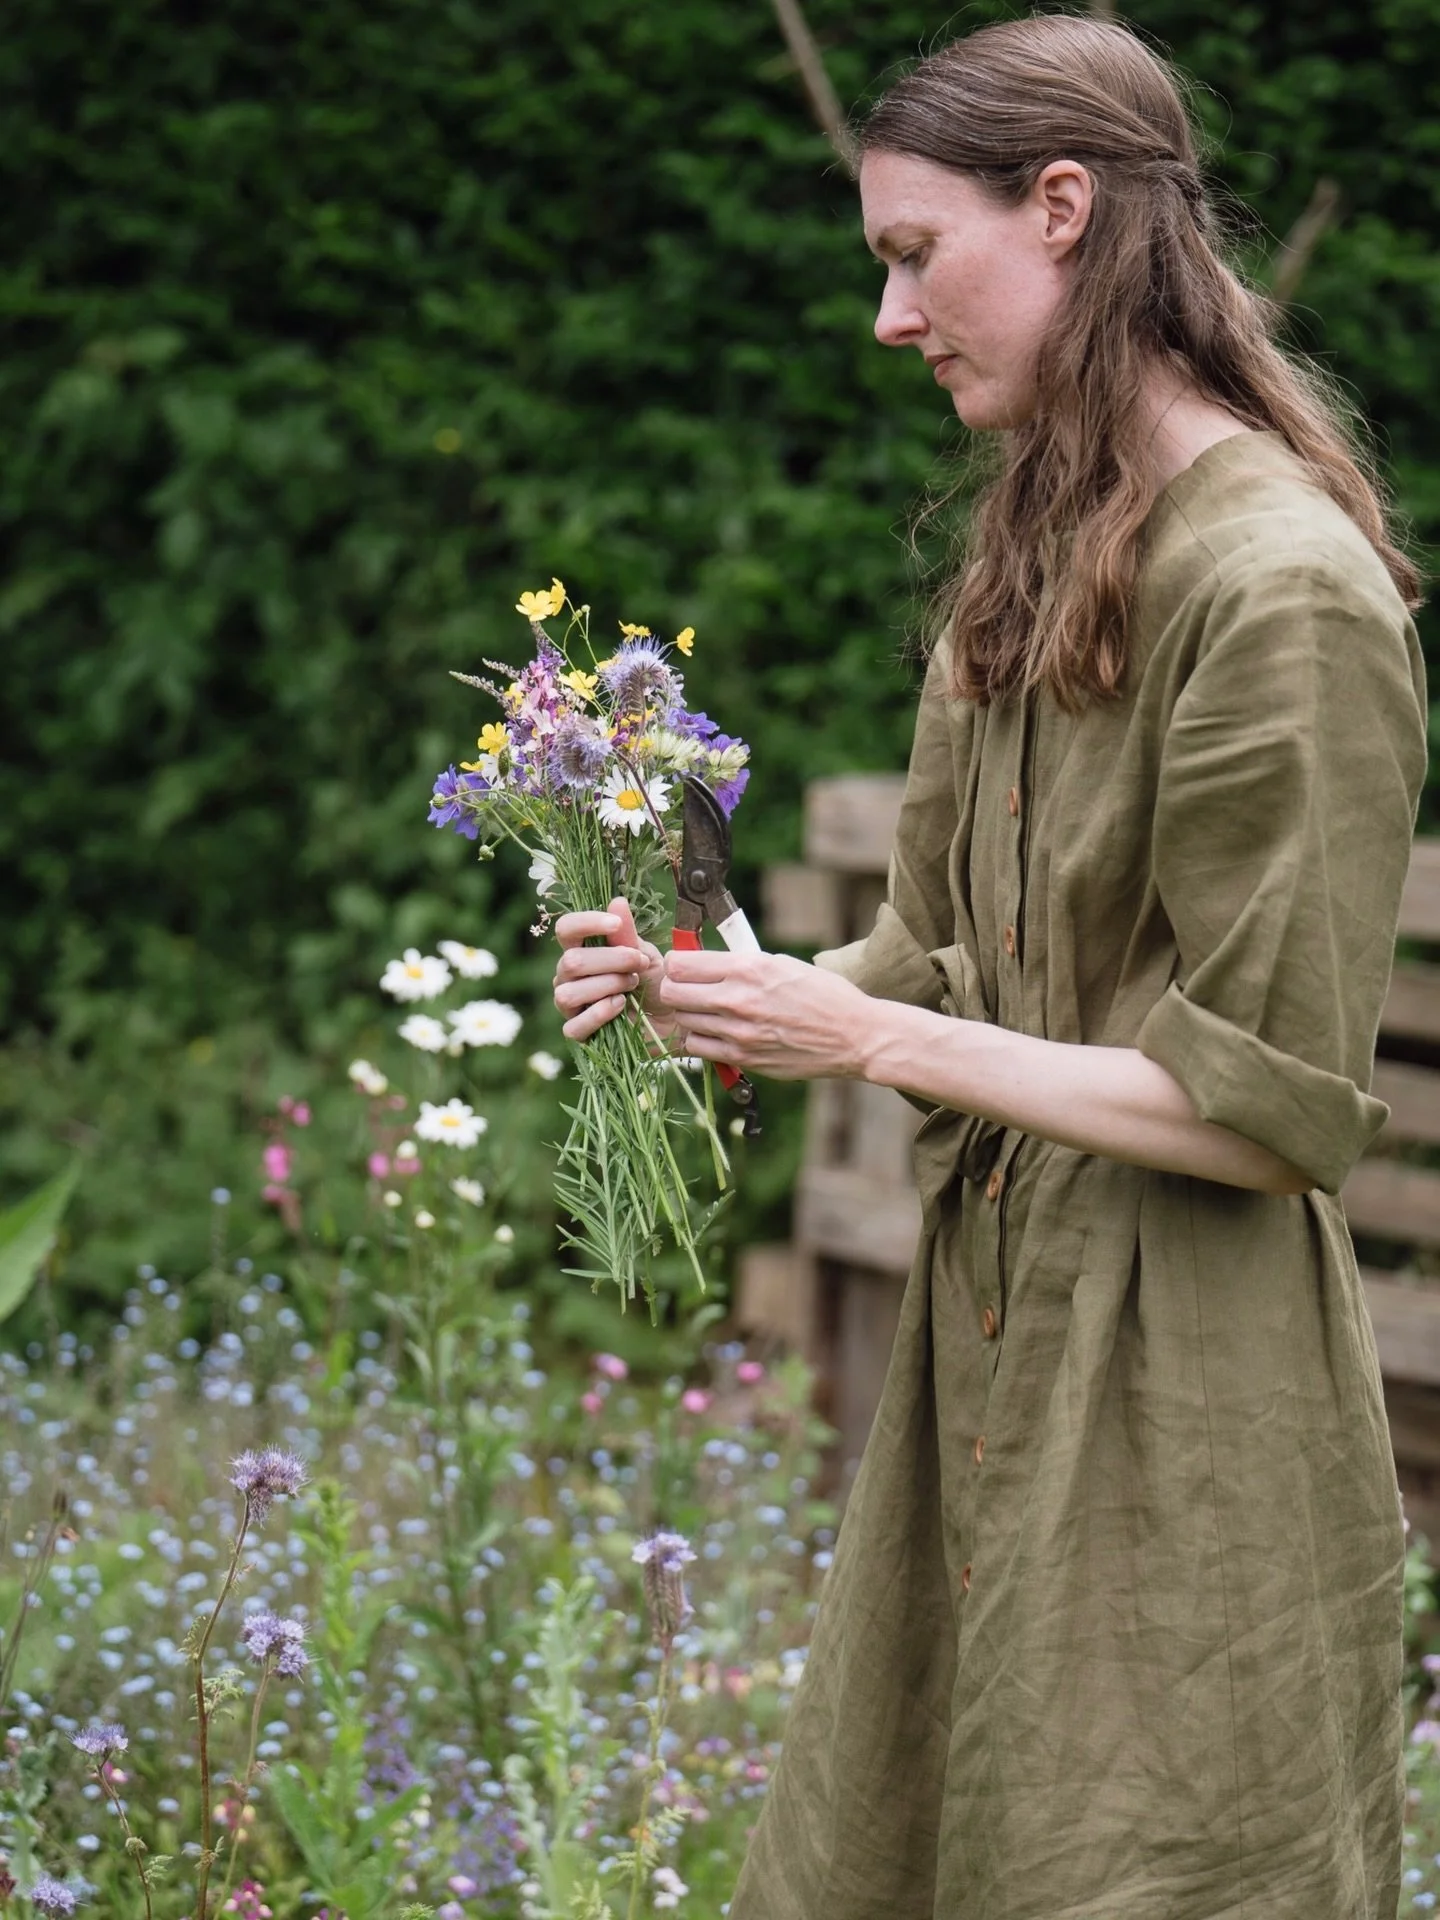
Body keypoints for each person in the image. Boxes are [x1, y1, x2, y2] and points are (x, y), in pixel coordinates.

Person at [552, 15, 1427, 1917]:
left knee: (1140, 1869)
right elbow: (934, 958)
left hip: (1179, 1399)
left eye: (910, 255)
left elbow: (1264, 1115)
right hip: (986, 1354)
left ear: (1064, 208)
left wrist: (863, 1032)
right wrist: (723, 989)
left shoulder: (1277, 592)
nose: (891, 318)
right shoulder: (1032, 555)